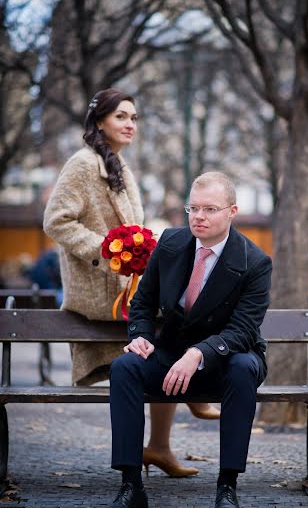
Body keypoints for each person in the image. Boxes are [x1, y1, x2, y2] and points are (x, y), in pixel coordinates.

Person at [43, 88, 214, 478]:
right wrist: (109, 251)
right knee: (172, 316)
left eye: (134, 117)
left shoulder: (118, 164)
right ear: (99, 120)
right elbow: (56, 220)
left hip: (125, 282)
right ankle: (191, 392)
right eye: (121, 116)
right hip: (99, 288)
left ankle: (159, 445)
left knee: (176, 310)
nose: (130, 124)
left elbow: (133, 230)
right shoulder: (84, 164)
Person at [103, 171, 272, 508]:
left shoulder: (254, 262)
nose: (198, 216)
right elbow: (144, 302)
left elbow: (243, 330)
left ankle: (227, 487)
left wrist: (199, 354)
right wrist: (141, 335)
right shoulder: (171, 244)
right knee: (125, 367)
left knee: (244, 367)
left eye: (210, 209)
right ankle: (131, 486)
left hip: (226, 360)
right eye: (193, 208)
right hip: (172, 356)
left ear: (232, 212)